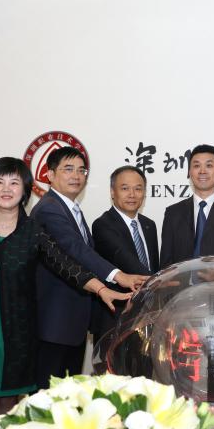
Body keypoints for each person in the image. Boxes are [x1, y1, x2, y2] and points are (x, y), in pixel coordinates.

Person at [0, 157, 129, 420]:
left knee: (9, 400)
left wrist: (101, 289)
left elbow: (65, 265)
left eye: (14, 183)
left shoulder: (33, 230)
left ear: (25, 190)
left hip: (16, 327)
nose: (6, 189)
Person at [30, 147, 147, 389]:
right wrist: (119, 276)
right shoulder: (49, 208)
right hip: (54, 322)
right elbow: (75, 249)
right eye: (68, 169)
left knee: (68, 397)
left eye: (81, 170)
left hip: (72, 323)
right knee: (47, 397)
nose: (76, 175)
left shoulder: (71, 208)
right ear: (50, 175)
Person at [92, 165, 159, 339]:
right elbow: (126, 260)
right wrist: (161, 282)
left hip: (147, 315)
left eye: (138, 188)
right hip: (115, 316)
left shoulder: (149, 225)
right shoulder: (103, 225)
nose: (132, 194)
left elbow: (153, 265)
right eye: (125, 188)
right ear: (112, 192)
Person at [160, 145, 214, 268]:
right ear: (189, 172)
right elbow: (166, 262)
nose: (202, 171)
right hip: (181, 280)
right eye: (196, 166)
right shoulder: (173, 213)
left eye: (209, 165)